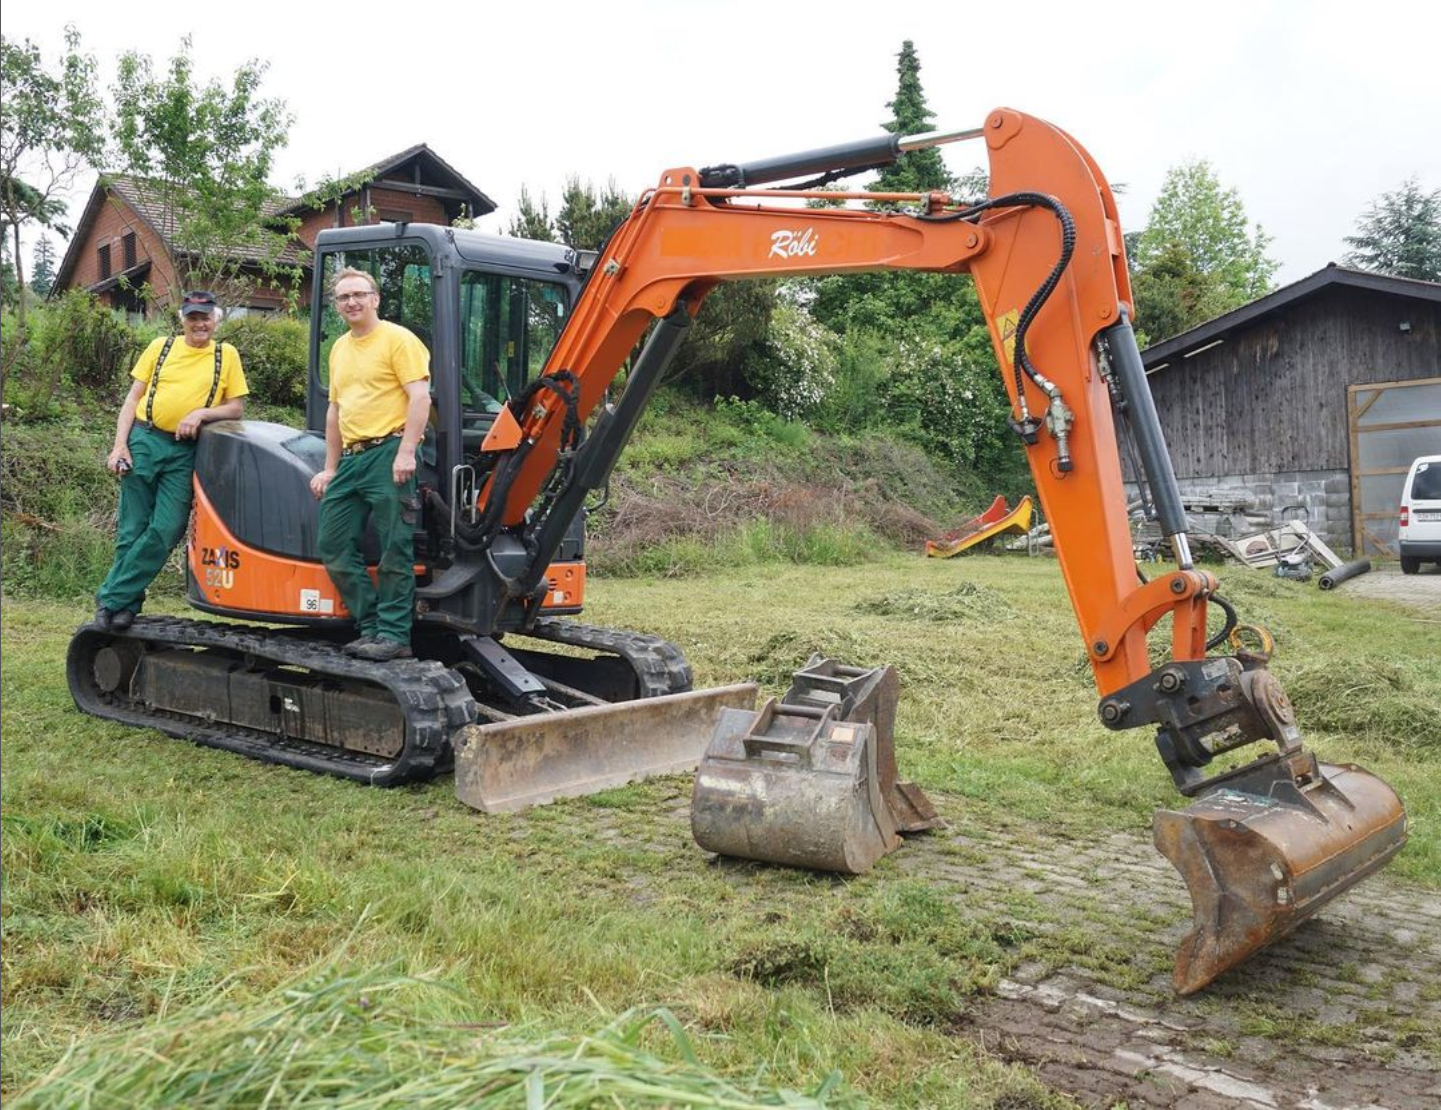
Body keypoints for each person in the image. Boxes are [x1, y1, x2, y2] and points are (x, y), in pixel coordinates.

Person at [96, 290, 248, 630]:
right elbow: (132, 398)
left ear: (216, 320)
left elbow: (236, 407)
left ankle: (111, 596)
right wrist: (120, 446)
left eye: (205, 317)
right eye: (193, 317)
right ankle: (125, 607)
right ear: (183, 319)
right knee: (131, 530)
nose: (199, 323)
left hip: (184, 450)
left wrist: (202, 413)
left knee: (168, 527)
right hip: (145, 440)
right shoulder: (159, 347)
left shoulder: (227, 355)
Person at [309, 268, 431, 662]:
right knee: (332, 541)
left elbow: (420, 398)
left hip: (389, 451)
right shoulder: (340, 348)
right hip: (352, 458)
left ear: (375, 299)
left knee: (395, 546)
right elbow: (335, 412)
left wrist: (407, 451)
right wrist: (330, 467)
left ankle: (395, 636)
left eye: (359, 295)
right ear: (337, 306)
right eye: (344, 298)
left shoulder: (399, 340)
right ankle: (371, 625)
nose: (352, 303)